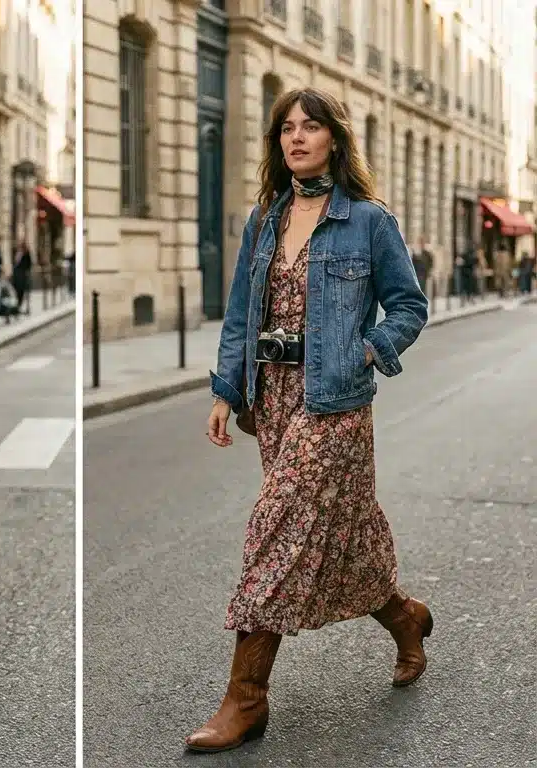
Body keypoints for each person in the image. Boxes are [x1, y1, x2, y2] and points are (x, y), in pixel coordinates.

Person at [191, 87, 430, 754]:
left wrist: (366, 351)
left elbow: (409, 307)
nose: (297, 138)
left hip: (335, 404)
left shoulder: (368, 221)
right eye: (287, 129)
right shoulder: (264, 218)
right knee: (343, 539)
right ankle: (405, 617)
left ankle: (245, 700)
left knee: (275, 534)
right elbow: (241, 313)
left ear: (334, 138)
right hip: (273, 400)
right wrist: (223, 391)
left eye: (311, 127)